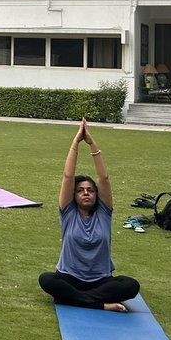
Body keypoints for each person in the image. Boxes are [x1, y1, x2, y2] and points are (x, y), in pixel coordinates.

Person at [38, 120, 139, 312]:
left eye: (91, 190)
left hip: (100, 281)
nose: (86, 193)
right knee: (46, 279)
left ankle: (74, 300)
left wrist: (92, 144)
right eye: (81, 191)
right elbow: (68, 177)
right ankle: (101, 305)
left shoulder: (104, 213)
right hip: (69, 277)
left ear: (96, 195)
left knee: (131, 285)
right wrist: (75, 143)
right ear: (74, 196)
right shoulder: (68, 213)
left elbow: (104, 178)